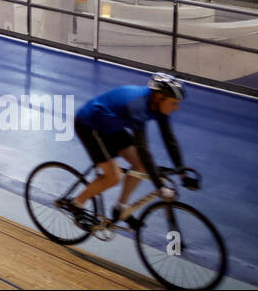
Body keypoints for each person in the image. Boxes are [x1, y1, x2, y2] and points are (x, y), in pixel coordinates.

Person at [59, 73, 192, 230]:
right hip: (90, 125)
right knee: (113, 177)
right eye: (174, 103)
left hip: (111, 125)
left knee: (140, 166)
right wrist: (160, 187)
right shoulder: (138, 106)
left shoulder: (158, 105)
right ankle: (76, 203)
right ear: (158, 97)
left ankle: (120, 208)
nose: (176, 108)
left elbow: (169, 139)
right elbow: (143, 150)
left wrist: (182, 172)